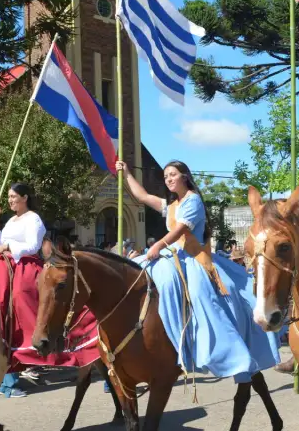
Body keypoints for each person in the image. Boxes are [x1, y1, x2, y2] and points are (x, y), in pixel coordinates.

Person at [115, 158, 281, 384]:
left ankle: (207, 347)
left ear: (184, 176)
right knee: (138, 270)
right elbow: (142, 196)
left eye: (172, 174)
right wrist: (126, 173)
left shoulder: (193, 201)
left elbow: (180, 230)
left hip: (194, 259)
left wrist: (157, 246)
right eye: (165, 176)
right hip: (173, 256)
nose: (168, 179)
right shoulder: (172, 205)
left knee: (201, 296)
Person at [0, 182, 48, 399]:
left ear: (25, 197)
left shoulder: (34, 219)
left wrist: (8, 247)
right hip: (4, 263)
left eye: (13, 196)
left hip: (25, 266)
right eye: (9, 197)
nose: (10, 200)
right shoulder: (11, 220)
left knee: (18, 300)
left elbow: (33, 246)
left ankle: (30, 343)